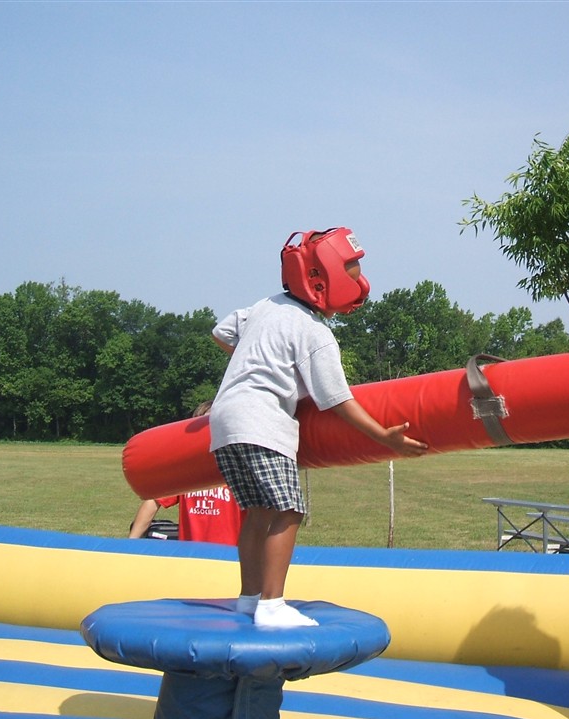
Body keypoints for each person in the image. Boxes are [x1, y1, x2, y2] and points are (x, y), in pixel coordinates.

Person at [209, 227, 429, 629]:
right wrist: (383, 436)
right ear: (323, 279)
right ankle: (272, 605)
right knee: (289, 510)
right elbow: (336, 398)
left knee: (258, 511)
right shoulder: (314, 332)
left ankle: (249, 598)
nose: (358, 281)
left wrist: (259, 358)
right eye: (352, 272)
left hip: (224, 421)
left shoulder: (265, 307)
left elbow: (221, 332)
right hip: (262, 421)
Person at [128, 402, 247, 544]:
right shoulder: (186, 468)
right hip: (189, 552)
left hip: (228, 553)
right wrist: (131, 542)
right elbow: (153, 501)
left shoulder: (238, 467)